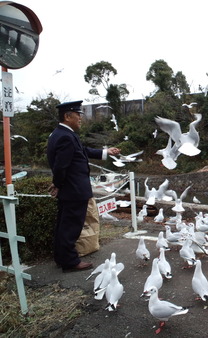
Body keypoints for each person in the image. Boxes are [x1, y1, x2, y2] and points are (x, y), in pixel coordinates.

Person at [47, 100, 120, 272]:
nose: (80, 118)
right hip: (74, 190)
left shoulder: (61, 134)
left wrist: (105, 152)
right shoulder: (66, 136)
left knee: (64, 224)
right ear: (67, 116)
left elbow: (82, 150)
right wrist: (57, 184)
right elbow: (61, 166)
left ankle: (61, 258)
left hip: (70, 189)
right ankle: (70, 262)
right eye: (77, 114)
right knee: (71, 226)